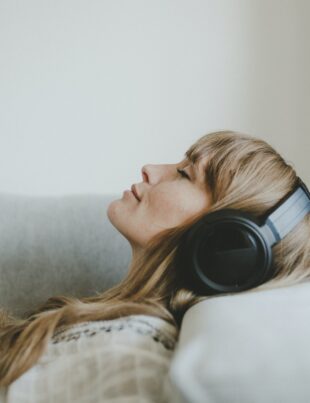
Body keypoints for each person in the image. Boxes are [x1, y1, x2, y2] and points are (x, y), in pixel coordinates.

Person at [0, 130, 309, 402]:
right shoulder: (110, 326)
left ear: (226, 243)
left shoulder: (133, 358)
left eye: (185, 174)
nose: (150, 169)